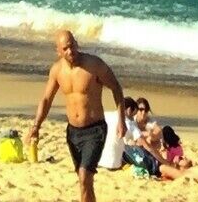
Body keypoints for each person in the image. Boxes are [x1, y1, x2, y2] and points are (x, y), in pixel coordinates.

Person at [31, 29, 127, 202]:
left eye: (72, 46)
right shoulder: (57, 70)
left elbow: (116, 87)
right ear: (58, 51)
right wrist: (36, 126)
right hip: (73, 132)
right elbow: (46, 99)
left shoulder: (94, 65)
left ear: (77, 44)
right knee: (84, 181)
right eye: (65, 48)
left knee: (84, 176)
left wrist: (122, 120)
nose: (70, 51)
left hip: (95, 129)